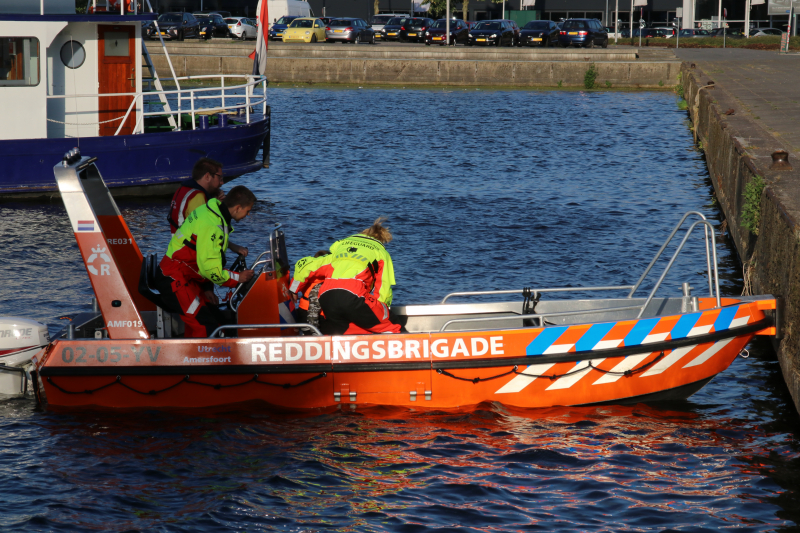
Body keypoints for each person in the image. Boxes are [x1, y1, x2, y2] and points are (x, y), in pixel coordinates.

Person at [155, 186, 256, 338]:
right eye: (247, 211)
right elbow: (210, 269)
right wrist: (238, 278)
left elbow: (201, 251)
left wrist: (207, 287)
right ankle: (204, 360)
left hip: (187, 277)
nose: (247, 215)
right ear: (237, 208)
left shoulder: (211, 211)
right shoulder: (213, 226)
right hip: (175, 279)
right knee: (206, 325)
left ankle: (193, 357)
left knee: (216, 320)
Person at [290, 218, 402, 335]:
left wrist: (293, 289)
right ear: (382, 240)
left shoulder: (340, 247)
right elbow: (383, 287)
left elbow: (306, 267)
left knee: (342, 327)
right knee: (391, 323)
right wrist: (382, 310)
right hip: (353, 294)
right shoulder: (381, 253)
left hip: (326, 295)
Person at [168, 157, 248, 258]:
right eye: (220, 177)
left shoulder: (182, 190)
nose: (222, 182)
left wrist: (212, 199)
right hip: (190, 256)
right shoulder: (198, 197)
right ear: (207, 176)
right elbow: (206, 233)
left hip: (176, 250)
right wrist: (219, 208)